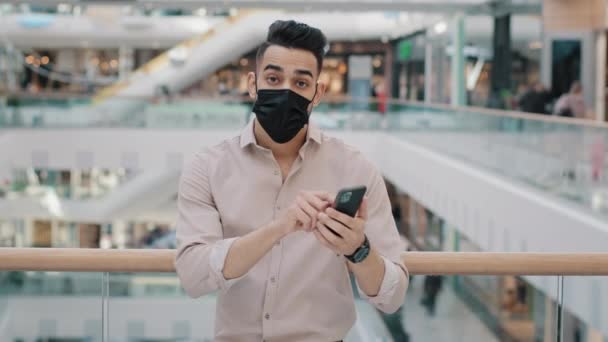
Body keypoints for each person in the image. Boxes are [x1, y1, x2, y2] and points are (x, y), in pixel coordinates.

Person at [174, 20, 409, 342]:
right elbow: (193, 275)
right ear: (253, 85)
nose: (285, 90)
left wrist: (357, 249)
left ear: (317, 92)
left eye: (300, 83)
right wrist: (280, 227)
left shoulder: (355, 169)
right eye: (273, 78)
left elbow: (392, 296)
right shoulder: (208, 167)